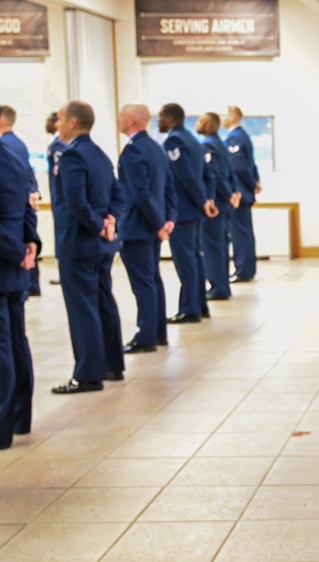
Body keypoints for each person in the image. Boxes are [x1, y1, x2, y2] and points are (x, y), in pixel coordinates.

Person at [50, 101, 125, 394]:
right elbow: (119, 195)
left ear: (71, 123)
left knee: (83, 309)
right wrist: (110, 222)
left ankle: (88, 374)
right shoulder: (99, 154)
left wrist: (97, 225)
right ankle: (112, 364)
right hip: (101, 244)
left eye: (59, 119)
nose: (57, 125)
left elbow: (76, 202)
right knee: (103, 302)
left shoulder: (72, 157)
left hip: (79, 244)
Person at [117, 104, 174, 353]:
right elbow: (169, 190)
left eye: (121, 117)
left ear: (131, 120)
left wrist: (159, 223)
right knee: (152, 279)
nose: (118, 120)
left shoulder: (133, 151)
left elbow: (141, 193)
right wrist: (167, 220)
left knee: (144, 283)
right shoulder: (156, 148)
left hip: (138, 227)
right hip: (153, 226)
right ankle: (158, 332)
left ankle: (146, 336)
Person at [160, 103, 216, 324]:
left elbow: (186, 177)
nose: (160, 120)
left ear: (171, 118)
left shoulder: (174, 141)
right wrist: (208, 199)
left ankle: (190, 309)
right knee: (194, 258)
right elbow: (207, 175)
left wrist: (203, 201)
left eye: (162, 117)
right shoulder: (193, 140)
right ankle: (199, 305)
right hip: (194, 209)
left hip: (183, 210)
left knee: (186, 261)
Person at [0, 142, 40, 447]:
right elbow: (29, 204)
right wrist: (30, 244)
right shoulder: (13, 157)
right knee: (15, 341)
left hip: (6, 258)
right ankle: (18, 417)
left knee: (4, 346)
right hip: (14, 263)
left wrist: (17, 252)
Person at [0, 105, 41, 297]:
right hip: (17, 242)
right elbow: (26, 200)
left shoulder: (9, 151)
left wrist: (18, 252)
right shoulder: (16, 153)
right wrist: (30, 240)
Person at [198, 112, 240, 301]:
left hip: (217, 204)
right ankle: (222, 285)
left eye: (200, 121)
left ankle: (218, 287)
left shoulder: (208, 145)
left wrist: (229, 194)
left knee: (213, 246)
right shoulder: (221, 143)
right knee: (221, 245)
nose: (197, 124)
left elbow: (215, 175)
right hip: (226, 203)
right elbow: (231, 172)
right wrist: (234, 192)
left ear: (208, 125)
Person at [222, 106, 259, 283]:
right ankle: (246, 269)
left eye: (224, 115)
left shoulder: (234, 138)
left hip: (239, 192)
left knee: (240, 233)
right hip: (245, 190)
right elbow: (252, 164)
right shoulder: (242, 135)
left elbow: (240, 167)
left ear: (234, 117)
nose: (222, 118)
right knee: (244, 232)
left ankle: (243, 270)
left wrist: (252, 184)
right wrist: (255, 181)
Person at [45, 111, 66, 286]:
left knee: (63, 236)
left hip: (61, 201)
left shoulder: (59, 145)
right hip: (58, 201)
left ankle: (65, 273)